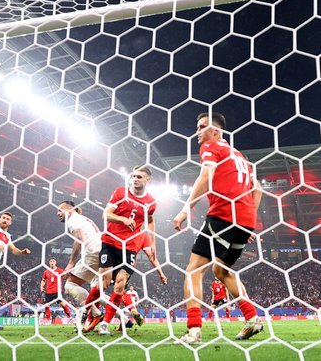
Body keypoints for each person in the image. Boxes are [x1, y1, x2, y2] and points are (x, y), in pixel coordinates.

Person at [172, 112, 263, 344]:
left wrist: (185, 209)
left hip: (223, 215)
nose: (197, 132)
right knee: (220, 271)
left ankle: (193, 331)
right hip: (244, 219)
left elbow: (206, 174)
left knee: (193, 270)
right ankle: (252, 318)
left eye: (202, 127)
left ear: (216, 131)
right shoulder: (240, 156)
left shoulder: (212, 146)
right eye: (197, 126)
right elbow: (258, 190)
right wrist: (249, 222)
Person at [83, 165, 158, 336]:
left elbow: (151, 220)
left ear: (148, 180)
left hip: (129, 247)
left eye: (140, 176)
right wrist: (123, 219)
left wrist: (153, 242)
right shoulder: (120, 192)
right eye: (134, 176)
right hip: (110, 242)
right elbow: (106, 214)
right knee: (103, 283)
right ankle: (85, 315)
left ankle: (105, 324)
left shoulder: (151, 202)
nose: (136, 179)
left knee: (120, 284)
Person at [56, 201, 102, 319]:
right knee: (96, 291)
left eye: (60, 210)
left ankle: (96, 314)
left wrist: (71, 263)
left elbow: (80, 239)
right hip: (101, 252)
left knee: (70, 285)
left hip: (92, 253)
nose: (58, 213)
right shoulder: (83, 218)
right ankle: (124, 318)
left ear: (69, 210)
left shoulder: (73, 220)